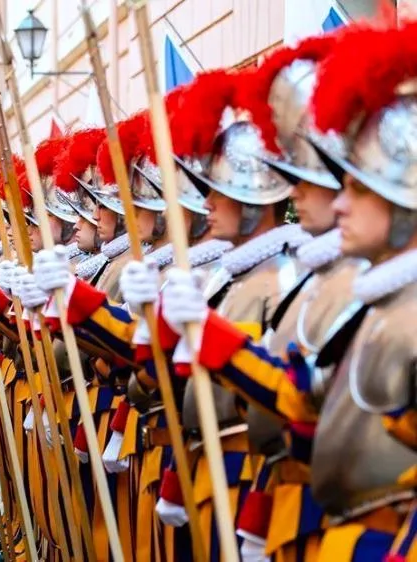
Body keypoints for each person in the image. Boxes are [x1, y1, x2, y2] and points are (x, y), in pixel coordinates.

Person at [160, 20, 417, 561]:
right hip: (313, 518)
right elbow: (303, 402)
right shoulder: (380, 300)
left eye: (356, 188)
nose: (338, 202)